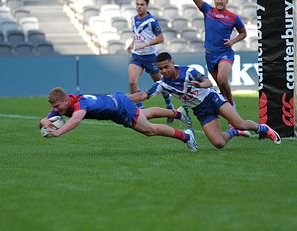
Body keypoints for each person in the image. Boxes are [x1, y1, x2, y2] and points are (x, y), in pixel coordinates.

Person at [129, 52, 281, 149]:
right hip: (201, 111)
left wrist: (200, 84)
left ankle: (263, 129)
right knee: (219, 143)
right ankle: (234, 133)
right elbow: (144, 95)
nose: (163, 71)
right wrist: (125, 98)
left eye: (165, 67)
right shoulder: (162, 84)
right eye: (160, 68)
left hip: (212, 99)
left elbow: (208, 82)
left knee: (239, 122)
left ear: (172, 63)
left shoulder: (188, 72)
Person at [39, 87, 198, 152]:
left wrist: (58, 132)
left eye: (58, 107)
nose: (56, 110)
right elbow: (44, 120)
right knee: (144, 114)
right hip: (116, 104)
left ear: (66, 101)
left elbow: (76, 120)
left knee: (149, 130)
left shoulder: (81, 104)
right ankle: (178, 113)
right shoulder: (61, 105)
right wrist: (46, 123)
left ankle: (187, 136)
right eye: (54, 107)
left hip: (120, 108)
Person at [191, 0, 247, 107]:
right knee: (221, 87)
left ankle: (231, 103)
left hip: (225, 53)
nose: (219, 1)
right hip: (210, 55)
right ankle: (227, 110)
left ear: (227, 1)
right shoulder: (208, 10)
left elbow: (243, 33)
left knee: (222, 80)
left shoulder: (233, 17)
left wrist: (232, 41)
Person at [126, 0, 173, 122]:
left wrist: (146, 44)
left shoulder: (151, 21)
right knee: (132, 82)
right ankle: (139, 111)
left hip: (150, 56)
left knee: (161, 84)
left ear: (147, 6)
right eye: (137, 4)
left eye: (142, 5)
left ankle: (169, 105)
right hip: (137, 55)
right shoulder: (133, 19)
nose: (139, 7)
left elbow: (161, 38)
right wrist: (132, 44)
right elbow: (136, 34)